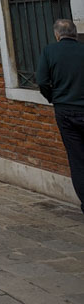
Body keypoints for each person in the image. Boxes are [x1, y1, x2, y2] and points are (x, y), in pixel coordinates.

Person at [36, 17, 84, 215]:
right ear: (75, 33)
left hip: (65, 110)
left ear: (57, 35)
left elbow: (41, 81)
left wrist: (54, 97)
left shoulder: (49, 51)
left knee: (78, 159)